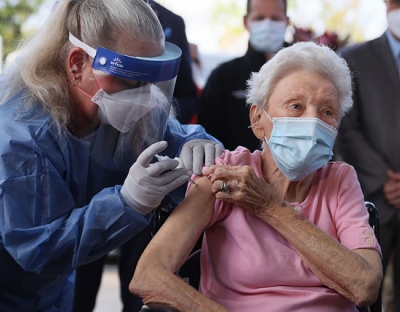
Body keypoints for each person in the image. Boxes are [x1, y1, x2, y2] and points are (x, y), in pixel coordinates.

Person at [0, 0, 223, 311]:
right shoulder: (20, 136)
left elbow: (176, 137)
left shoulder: (130, 107)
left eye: (151, 82)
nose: (145, 98)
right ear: (78, 64)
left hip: (53, 294)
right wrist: (126, 203)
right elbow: (40, 249)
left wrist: (199, 142)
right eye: (130, 81)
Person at [130, 42, 383, 312]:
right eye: (296, 106)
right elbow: (148, 276)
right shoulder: (227, 173)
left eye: (328, 112)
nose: (313, 122)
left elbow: (365, 286)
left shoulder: (340, 179)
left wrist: (270, 207)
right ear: (258, 119)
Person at [335, 0, 400, 310]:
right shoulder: (355, 58)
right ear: (385, 4)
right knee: (363, 297)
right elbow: (345, 128)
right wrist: (384, 179)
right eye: (396, 0)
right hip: (375, 196)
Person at [197, 0, 290, 152]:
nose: (267, 25)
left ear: (286, 22)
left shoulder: (307, 75)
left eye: (275, 19)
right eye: (260, 18)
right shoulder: (223, 77)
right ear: (246, 22)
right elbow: (208, 139)